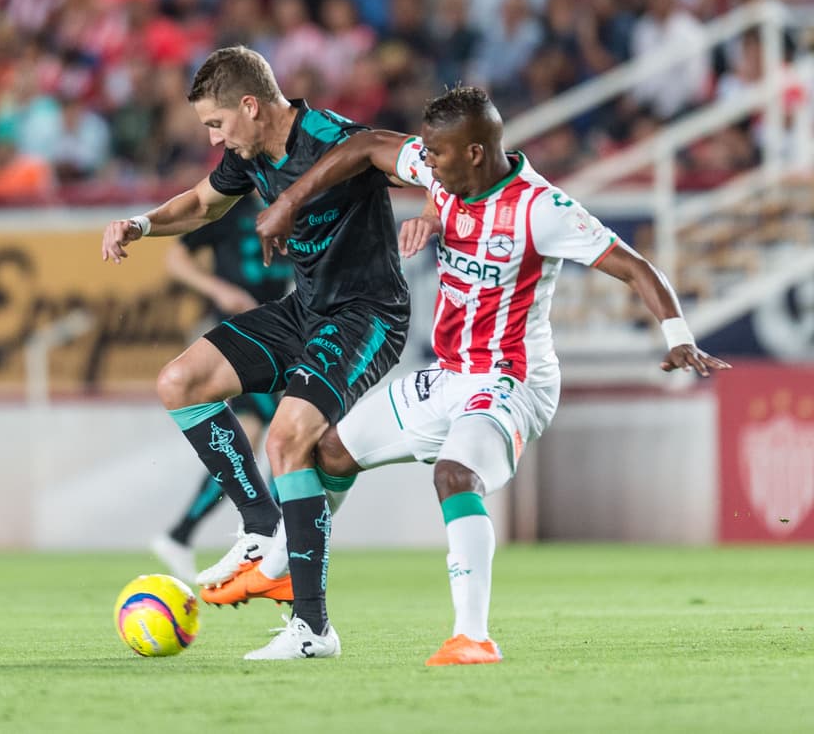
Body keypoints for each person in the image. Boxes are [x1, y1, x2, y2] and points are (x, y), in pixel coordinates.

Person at [212, 85, 729, 665]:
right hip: (450, 374)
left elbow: (636, 267)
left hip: (513, 383)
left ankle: (473, 637)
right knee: (329, 451)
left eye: (436, 156)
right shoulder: (443, 174)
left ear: (476, 154)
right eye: (425, 155)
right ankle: (283, 567)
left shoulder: (541, 209)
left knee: (455, 475)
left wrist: (677, 337)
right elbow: (367, 146)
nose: (424, 165)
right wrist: (291, 202)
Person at [101, 45, 411, 660]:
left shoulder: (328, 135)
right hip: (306, 309)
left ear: (251, 106)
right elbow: (196, 204)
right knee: (180, 381)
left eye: (217, 124)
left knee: (287, 438)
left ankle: (313, 629)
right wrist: (139, 223)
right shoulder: (249, 158)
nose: (215, 139)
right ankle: (259, 524)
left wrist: (433, 205)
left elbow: (402, 154)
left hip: (367, 313)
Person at [150, 196, 293, 583]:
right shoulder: (232, 205)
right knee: (287, 428)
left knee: (248, 439)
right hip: (236, 344)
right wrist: (216, 290)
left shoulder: (293, 202)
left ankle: (181, 535)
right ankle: (274, 533)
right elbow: (175, 259)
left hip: (278, 338)